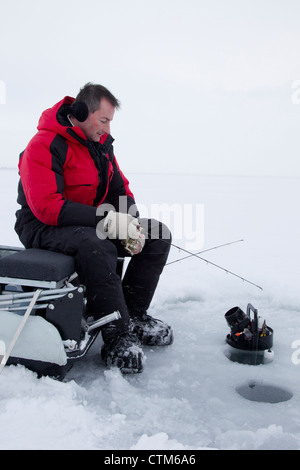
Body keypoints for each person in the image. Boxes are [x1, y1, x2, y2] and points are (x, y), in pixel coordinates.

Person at [15, 82, 173, 374]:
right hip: (42, 226)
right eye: (104, 120)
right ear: (81, 112)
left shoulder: (100, 147)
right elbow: (48, 207)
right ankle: (117, 336)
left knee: (157, 234)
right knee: (95, 244)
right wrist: (109, 221)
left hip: (87, 223)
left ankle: (134, 315)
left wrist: (131, 224)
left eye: (110, 121)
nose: (107, 129)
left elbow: (119, 189)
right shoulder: (44, 145)